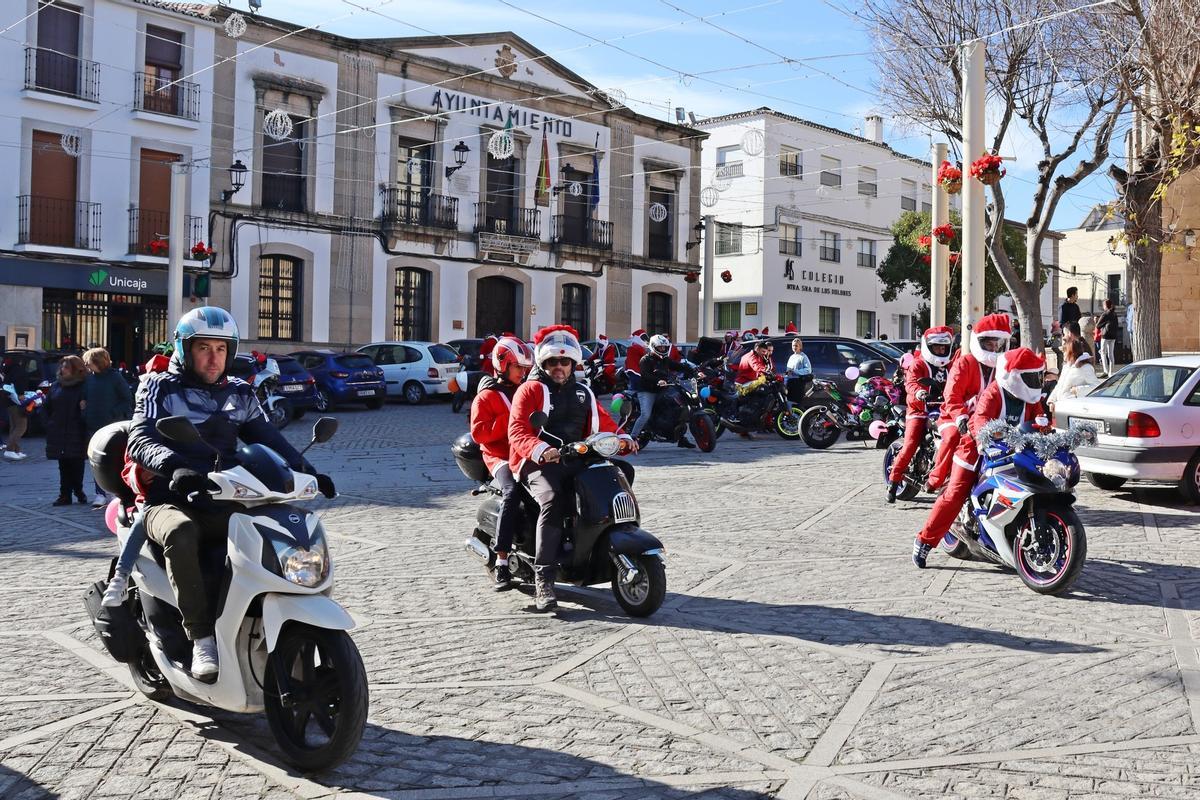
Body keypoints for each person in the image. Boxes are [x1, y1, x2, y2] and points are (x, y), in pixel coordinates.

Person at [125, 307, 335, 680]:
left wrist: (308, 471)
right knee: (181, 532)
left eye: (221, 349)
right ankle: (202, 637)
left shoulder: (240, 392)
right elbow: (140, 438)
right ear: (184, 349)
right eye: (204, 348)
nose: (213, 358)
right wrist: (174, 466)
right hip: (169, 496)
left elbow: (268, 439)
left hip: (227, 494)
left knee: (273, 535)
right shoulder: (159, 386)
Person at [508, 325, 635, 612]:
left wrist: (624, 439)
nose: (559, 367)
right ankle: (545, 578)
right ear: (544, 362)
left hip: (577, 457)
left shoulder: (583, 392)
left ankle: (592, 544)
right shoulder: (530, 390)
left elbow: (603, 422)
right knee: (552, 500)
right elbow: (516, 431)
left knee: (619, 474)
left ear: (573, 363)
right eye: (553, 362)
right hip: (536, 462)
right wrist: (542, 450)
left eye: (564, 362)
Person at [912, 347, 1048, 568]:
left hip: (1015, 451)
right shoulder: (994, 392)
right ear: (1013, 376)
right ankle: (924, 540)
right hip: (977, 449)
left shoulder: (1030, 399)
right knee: (955, 493)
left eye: (1037, 376)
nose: (1035, 381)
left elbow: (1039, 420)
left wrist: (1046, 434)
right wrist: (986, 441)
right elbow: (981, 418)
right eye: (1030, 377)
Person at [469, 336, 533, 591]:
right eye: (519, 367)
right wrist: (508, 421)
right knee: (512, 492)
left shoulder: (525, 390)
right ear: (503, 364)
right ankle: (503, 561)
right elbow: (479, 434)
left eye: (525, 368)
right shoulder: (486, 397)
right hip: (499, 456)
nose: (523, 372)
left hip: (526, 451)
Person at [926, 314, 1011, 492]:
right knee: (952, 437)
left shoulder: (1001, 366)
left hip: (983, 418)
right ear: (979, 342)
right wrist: (960, 417)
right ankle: (936, 478)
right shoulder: (965, 362)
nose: (994, 347)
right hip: (954, 415)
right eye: (989, 343)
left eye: (998, 344)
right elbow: (952, 394)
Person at [886, 326, 954, 502]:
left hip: (942, 410)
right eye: (937, 347)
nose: (941, 350)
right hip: (919, 410)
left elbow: (959, 381)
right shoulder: (918, 364)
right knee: (910, 445)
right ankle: (893, 482)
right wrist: (919, 393)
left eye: (943, 348)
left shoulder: (950, 365)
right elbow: (911, 383)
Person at [82, 347, 133, 507]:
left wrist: (113, 413)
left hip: (111, 427)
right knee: (96, 461)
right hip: (92, 425)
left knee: (113, 461)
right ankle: (100, 494)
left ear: (98, 362)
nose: (87, 365)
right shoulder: (90, 379)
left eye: (89, 362)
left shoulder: (115, 378)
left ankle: (116, 492)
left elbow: (127, 399)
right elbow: (85, 398)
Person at [632, 334, 695, 447]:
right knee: (645, 414)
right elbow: (645, 375)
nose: (663, 349)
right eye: (660, 347)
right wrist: (658, 380)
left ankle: (681, 438)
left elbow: (678, 366)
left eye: (664, 347)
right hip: (647, 390)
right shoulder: (645, 360)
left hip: (663, 389)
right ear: (653, 346)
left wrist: (694, 370)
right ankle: (632, 438)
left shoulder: (665, 360)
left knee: (678, 409)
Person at [45, 355, 89, 506]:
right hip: (58, 430)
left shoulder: (83, 386)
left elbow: (87, 409)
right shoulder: (56, 386)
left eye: (66, 367)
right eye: (62, 367)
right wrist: (49, 423)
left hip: (77, 430)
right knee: (63, 464)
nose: (62, 370)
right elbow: (48, 406)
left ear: (75, 369)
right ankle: (65, 495)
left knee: (76, 464)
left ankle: (78, 489)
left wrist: (84, 411)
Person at [1048, 338, 1099, 410]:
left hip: (1075, 407)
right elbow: (1060, 385)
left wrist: (1077, 390)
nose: (1063, 353)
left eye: (1065, 351)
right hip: (1061, 406)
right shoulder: (1066, 366)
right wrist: (1052, 401)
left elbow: (1096, 386)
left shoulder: (1085, 367)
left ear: (1071, 352)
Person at [1, 358, 29, 461]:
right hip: (17, 401)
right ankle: (10, 450)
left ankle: (16, 450)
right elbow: (20, 385)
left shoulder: (8, 372)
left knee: (14, 426)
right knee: (21, 426)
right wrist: (22, 395)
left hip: (8, 402)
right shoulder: (20, 372)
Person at [785, 337, 812, 403]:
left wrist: (795, 371)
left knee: (796, 403)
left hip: (798, 382)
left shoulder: (803, 357)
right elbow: (788, 370)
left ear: (800, 346)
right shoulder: (792, 357)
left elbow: (808, 370)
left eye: (796, 345)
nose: (794, 347)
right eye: (793, 345)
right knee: (789, 402)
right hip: (790, 382)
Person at [1097, 298, 1118, 377]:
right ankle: (1111, 372)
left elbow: (1098, 325)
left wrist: (1104, 323)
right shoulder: (1114, 314)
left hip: (1105, 336)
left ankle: (1105, 371)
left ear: (1105, 305)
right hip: (1113, 336)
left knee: (1103, 352)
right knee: (1111, 354)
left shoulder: (1105, 314)